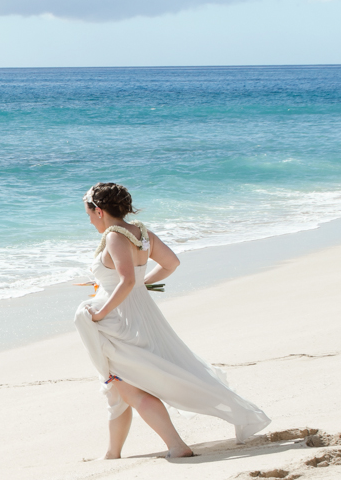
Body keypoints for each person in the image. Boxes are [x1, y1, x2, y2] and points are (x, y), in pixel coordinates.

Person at [73, 182, 270, 459]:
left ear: (100, 211)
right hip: (141, 317)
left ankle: (176, 445)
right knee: (117, 391)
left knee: (128, 388)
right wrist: (143, 285)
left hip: (118, 324)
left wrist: (101, 313)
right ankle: (112, 453)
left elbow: (127, 280)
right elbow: (170, 264)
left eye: (90, 215)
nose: (90, 221)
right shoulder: (141, 233)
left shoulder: (115, 236)